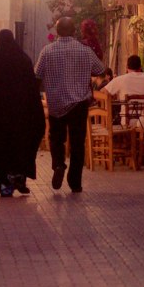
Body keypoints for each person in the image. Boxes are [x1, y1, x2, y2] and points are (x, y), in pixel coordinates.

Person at [34, 15, 105, 193]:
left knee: (56, 138)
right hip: (79, 103)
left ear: (56, 32)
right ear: (74, 31)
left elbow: (36, 76)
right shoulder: (85, 50)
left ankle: (58, 164)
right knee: (77, 142)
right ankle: (75, 182)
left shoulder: (47, 51)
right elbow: (100, 70)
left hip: (57, 103)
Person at [0, 29, 45, 198]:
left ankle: (4, 183)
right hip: (21, 115)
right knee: (20, 145)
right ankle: (19, 175)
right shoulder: (24, 60)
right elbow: (31, 88)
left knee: (1, 147)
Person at [103, 54, 144, 124]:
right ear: (140, 67)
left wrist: (113, 96)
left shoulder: (121, 79)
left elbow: (103, 92)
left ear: (127, 67)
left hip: (127, 122)